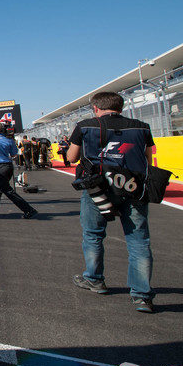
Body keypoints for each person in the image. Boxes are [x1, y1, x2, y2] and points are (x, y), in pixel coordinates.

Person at [66, 92, 155, 313]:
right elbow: (148, 157)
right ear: (121, 107)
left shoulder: (85, 125)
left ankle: (95, 279)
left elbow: (71, 157)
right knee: (138, 240)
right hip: (133, 187)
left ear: (96, 108)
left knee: (93, 234)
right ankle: (142, 296)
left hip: (98, 188)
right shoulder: (142, 127)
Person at [0, 124, 39, 219]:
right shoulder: (9, 140)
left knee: (7, 190)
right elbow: (14, 154)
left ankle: (28, 209)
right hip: (7, 165)